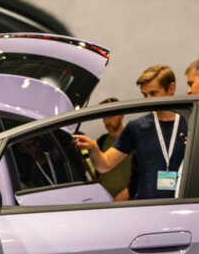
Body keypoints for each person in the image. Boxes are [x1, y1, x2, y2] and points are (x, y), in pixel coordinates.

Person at [74, 65, 186, 201]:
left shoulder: (189, 124)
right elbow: (105, 165)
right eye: (144, 95)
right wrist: (94, 148)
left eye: (153, 93)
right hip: (146, 206)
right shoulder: (137, 127)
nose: (148, 100)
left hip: (185, 205)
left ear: (171, 88)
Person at [94, 98, 132, 201]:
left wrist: (129, 192)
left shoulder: (134, 139)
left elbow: (144, 172)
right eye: (104, 117)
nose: (107, 122)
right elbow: (97, 173)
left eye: (110, 116)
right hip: (105, 201)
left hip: (132, 201)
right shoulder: (101, 141)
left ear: (122, 115)